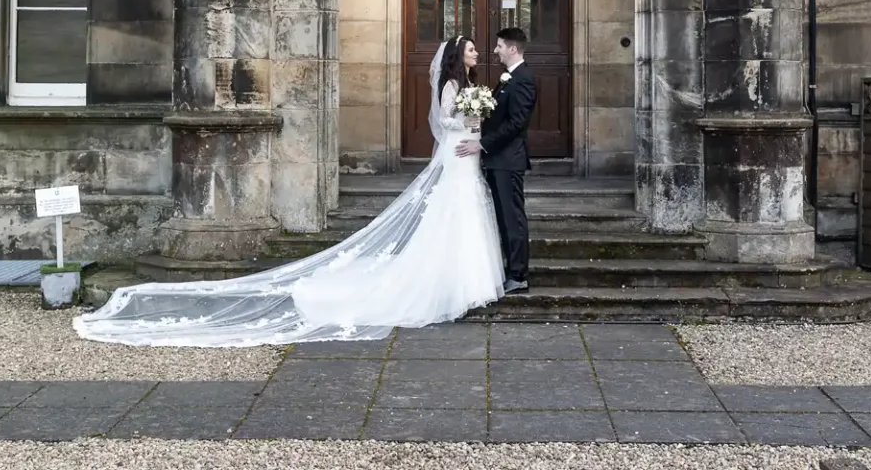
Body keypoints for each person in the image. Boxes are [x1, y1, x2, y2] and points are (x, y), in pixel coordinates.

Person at [74, 36, 505, 347]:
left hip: (466, 154)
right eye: (470, 50)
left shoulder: (469, 86)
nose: (477, 53)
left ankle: (463, 285)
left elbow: (463, 118)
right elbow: (445, 120)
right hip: (457, 152)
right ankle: (448, 287)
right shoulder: (451, 86)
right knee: (452, 214)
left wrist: (477, 123)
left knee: (465, 214)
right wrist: (470, 123)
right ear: (456, 57)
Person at [457, 26, 536, 293]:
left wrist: (481, 143)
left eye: (500, 46)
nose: (495, 50)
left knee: (512, 217)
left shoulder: (523, 78)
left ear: (513, 49)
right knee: (503, 217)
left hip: (508, 160)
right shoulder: (508, 77)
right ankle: (510, 269)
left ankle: (518, 274)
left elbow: (516, 123)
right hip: (498, 159)